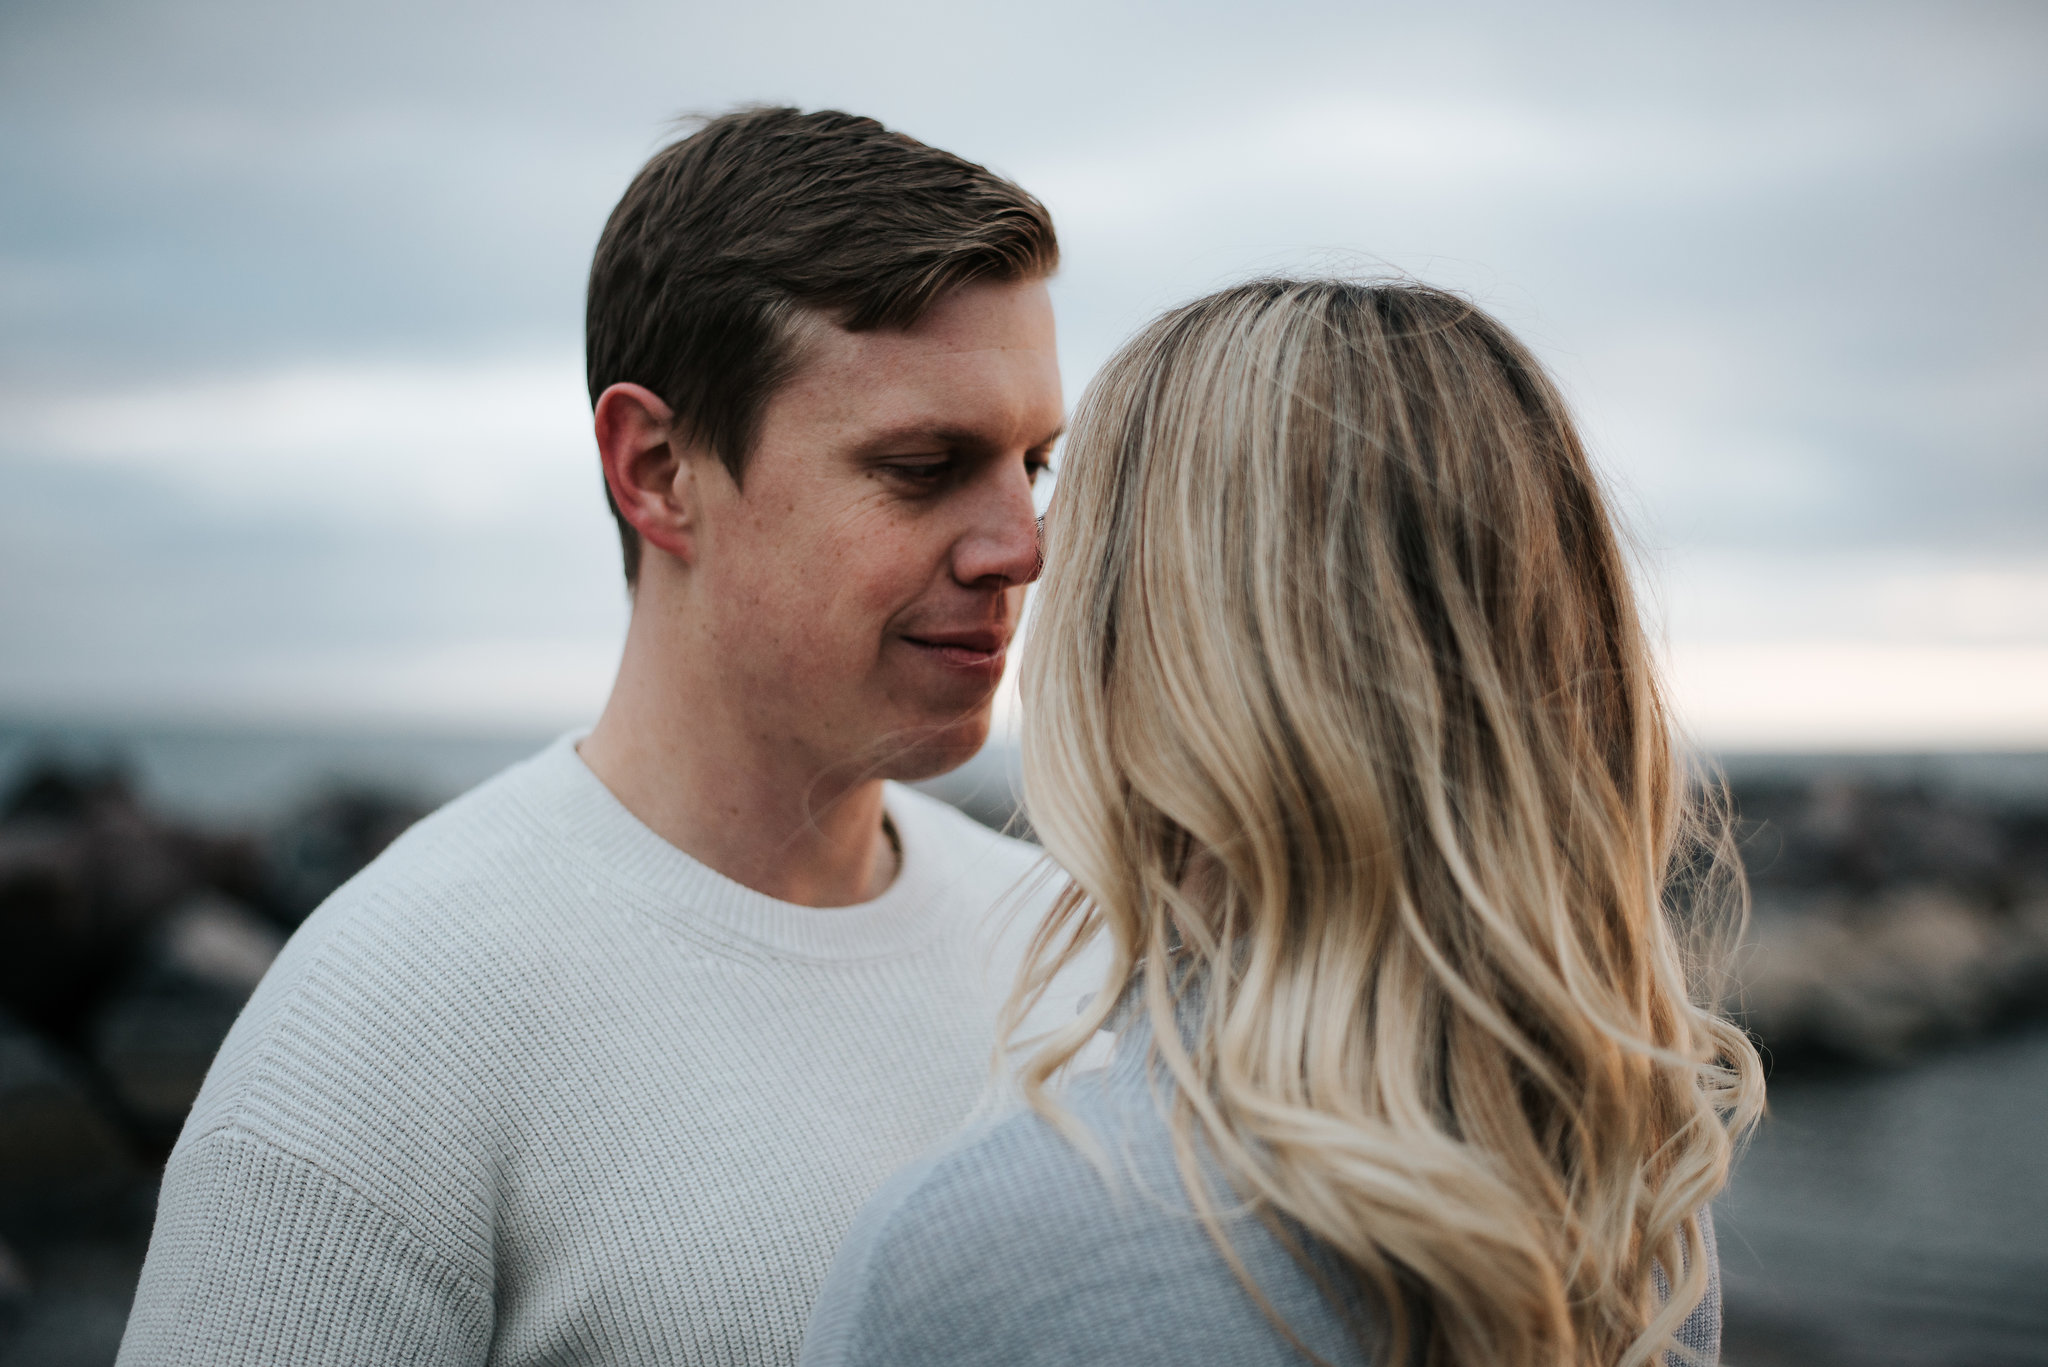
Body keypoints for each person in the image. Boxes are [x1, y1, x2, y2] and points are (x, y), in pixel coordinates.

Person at [119, 107, 1078, 1366]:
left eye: (1034, 463)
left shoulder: (1071, 949)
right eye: (921, 464)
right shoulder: (385, 1023)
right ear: (660, 466)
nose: (1022, 543)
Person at [801, 279, 1767, 1367]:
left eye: (1065, 521)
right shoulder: (1628, 1190)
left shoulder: (981, 1253)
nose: (1021, 555)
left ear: (1173, 650)